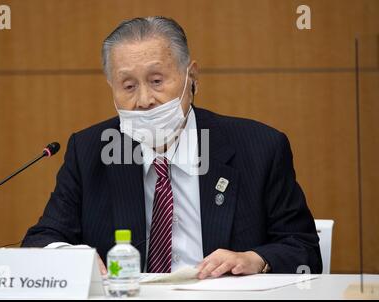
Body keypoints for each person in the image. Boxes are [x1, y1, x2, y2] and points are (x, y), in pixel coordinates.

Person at [22, 16, 322, 278]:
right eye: (128, 86)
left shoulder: (259, 148)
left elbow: (304, 251)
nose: (144, 100)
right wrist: (71, 257)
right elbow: (41, 239)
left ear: (191, 76)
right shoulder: (89, 150)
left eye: (156, 80)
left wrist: (254, 260)